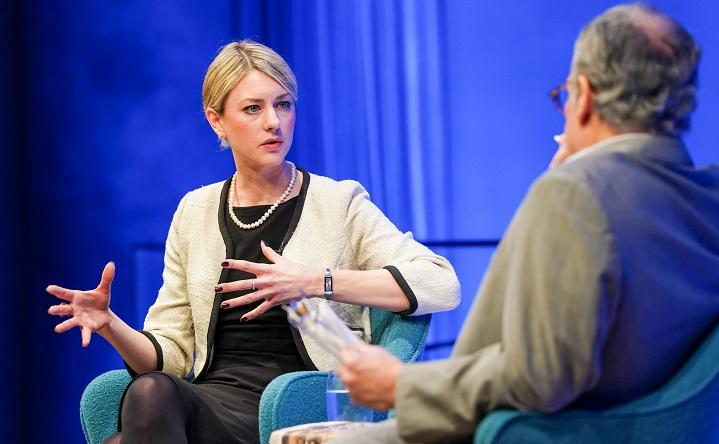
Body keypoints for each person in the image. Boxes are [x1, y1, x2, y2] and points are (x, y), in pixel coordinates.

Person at [331, 4, 719, 443]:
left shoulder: (574, 194)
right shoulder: (708, 196)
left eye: (566, 95)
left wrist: (401, 385)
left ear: (585, 96)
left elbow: (540, 377)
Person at [45, 40, 460, 444]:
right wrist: (111, 326)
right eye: (252, 108)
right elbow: (168, 355)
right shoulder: (195, 211)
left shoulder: (338, 202)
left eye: (283, 104)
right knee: (151, 390)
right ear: (217, 120)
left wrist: (316, 281)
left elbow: (440, 283)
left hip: (295, 398)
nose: (273, 122)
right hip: (210, 399)